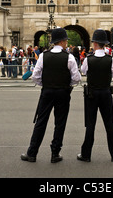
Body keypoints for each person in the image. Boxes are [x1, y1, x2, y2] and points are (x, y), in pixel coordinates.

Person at [21, 27, 81, 163]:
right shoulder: (69, 57)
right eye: (65, 40)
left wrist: (46, 83)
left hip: (47, 91)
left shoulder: (43, 55)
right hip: (63, 92)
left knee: (41, 122)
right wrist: (66, 83)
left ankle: (32, 152)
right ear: (62, 41)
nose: (66, 42)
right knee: (60, 123)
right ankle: (55, 153)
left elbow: (35, 76)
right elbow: (76, 78)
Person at [77, 29, 113, 163]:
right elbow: (111, 74)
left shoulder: (88, 59)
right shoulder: (110, 60)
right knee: (109, 124)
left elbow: (83, 72)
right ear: (104, 44)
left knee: (90, 125)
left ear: (95, 43)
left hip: (92, 93)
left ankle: (86, 154)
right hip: (106, 92)